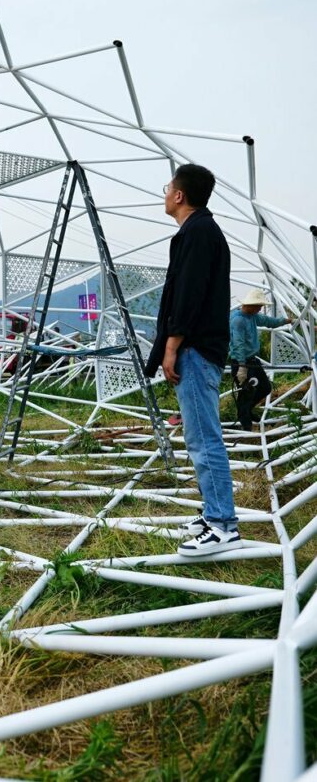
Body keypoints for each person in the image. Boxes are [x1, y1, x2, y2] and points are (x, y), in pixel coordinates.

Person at [145, 163, 241, 556]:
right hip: (199, 348)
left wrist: (172, 346)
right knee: (199, 435)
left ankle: (222, 524)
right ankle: (213, 513)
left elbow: (188, 294)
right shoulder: (199, 231)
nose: (165, 193)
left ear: (180, 195)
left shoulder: (199, 232)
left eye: (168, 187)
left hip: (196, 349)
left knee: (204, 437)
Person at [230, 289, 292, 430]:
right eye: (259, 306)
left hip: (252, 361)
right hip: (242, 363)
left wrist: (285, 321)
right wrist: (241, 367)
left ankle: (246, 413)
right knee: (246, 393)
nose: (261, 309)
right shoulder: (238, 320)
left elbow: (268, 321)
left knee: (264, 387)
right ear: (251, 305)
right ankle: (246, 428)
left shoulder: (252, 316)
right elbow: (238, 344)